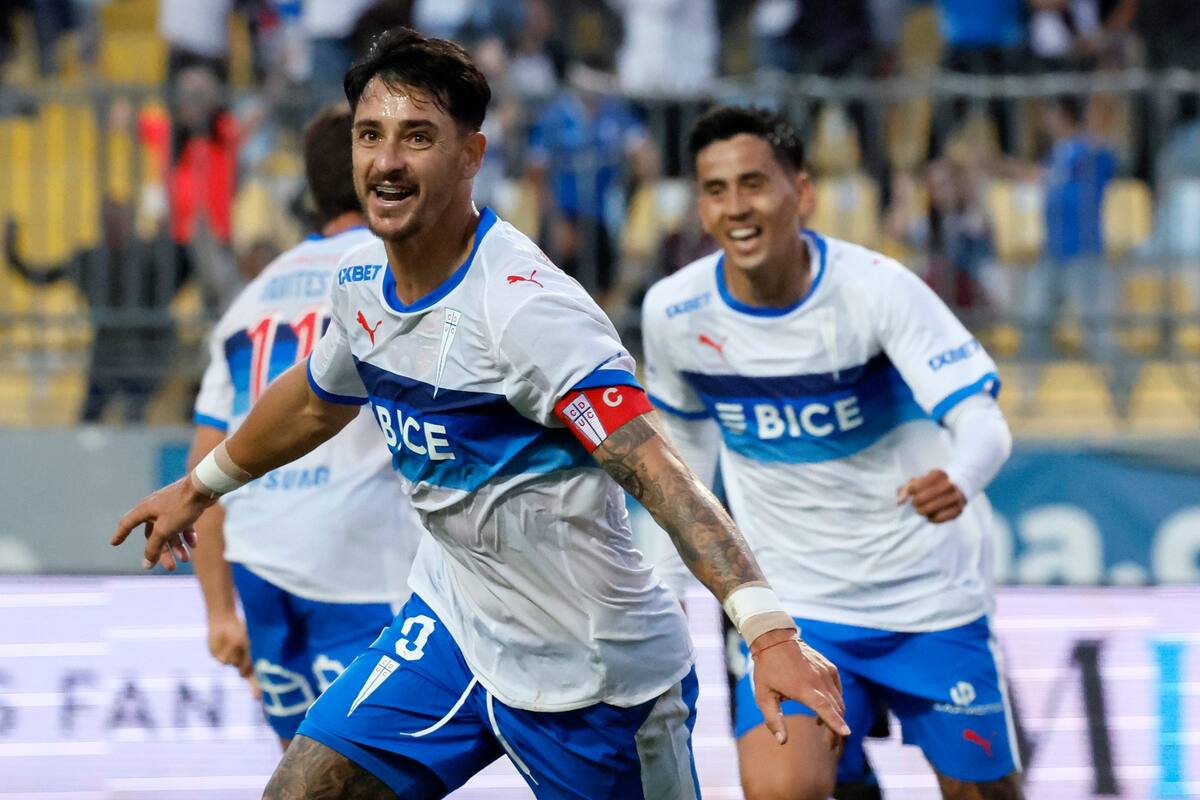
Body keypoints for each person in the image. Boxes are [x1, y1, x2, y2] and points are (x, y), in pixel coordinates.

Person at [112, 28, 849, 799]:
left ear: (471, 156)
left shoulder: (527, 313)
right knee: (301, 792)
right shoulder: (361, 277)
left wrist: (769, 630)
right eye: (371, 135)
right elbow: (314, 399)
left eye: (417, 137)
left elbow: (659, 471)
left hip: (592, 674)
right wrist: (201, 487)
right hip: (454, 628)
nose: (386, 162)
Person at [640, 105, 1022, 800]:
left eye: (753, 184)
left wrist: (961, 479)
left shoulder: (878, 290)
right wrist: (664, 594)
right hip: (794, 607)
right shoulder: (674, 313)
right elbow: (680, 466)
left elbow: (984, 423)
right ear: (701, 207)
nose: (736, 207)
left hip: (926, 597)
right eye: (717, 190)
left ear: (802, 193)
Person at [188, 104, 423, 750]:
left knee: (306, 774)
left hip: (258, 565)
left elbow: (203, 467)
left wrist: (218, 612)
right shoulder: (391, 268)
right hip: (359, 564)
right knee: (375, 776)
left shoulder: (248, 301)